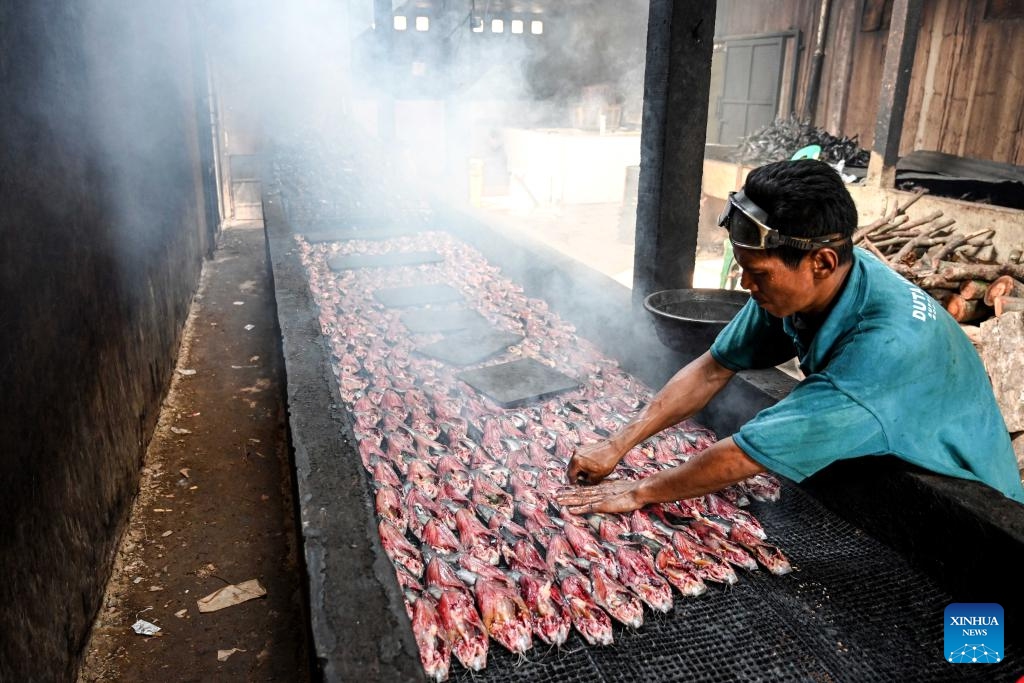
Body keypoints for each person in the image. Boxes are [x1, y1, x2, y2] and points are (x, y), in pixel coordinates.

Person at [556, 159, 1024, 514]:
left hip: (968, 493)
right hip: (895, 449)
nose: (745, 284)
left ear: (820, 262)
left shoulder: (883, 350)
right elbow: (714, 367)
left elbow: (744, 454)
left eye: (757, 272)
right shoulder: (800, 291)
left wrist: (639, 492)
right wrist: (618, 443)